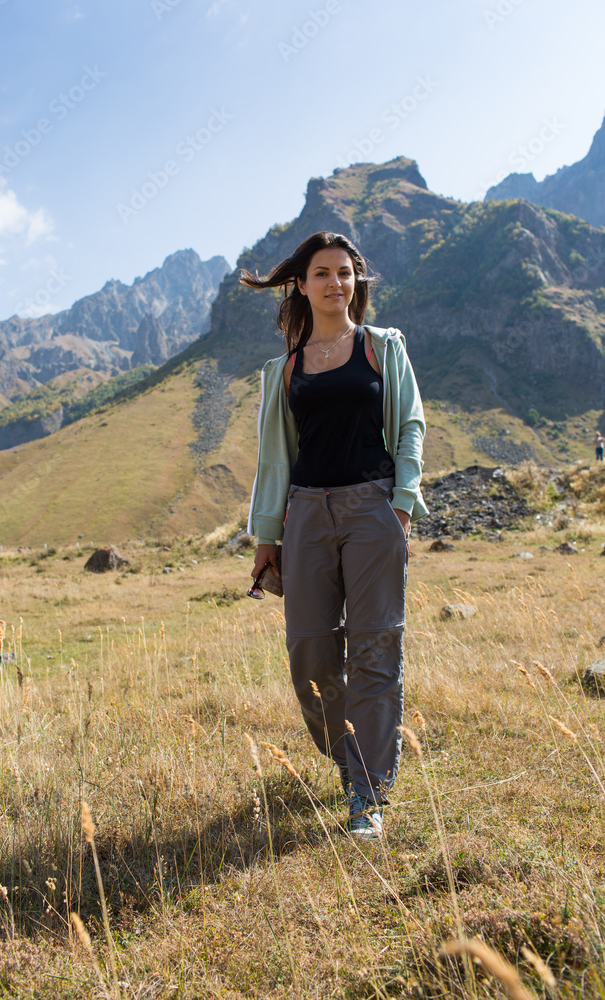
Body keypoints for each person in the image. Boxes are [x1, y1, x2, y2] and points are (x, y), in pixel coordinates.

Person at [241, 231, 427, 839]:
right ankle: (354, 762)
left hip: (373, 510)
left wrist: (401, 506)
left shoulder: (382, 348)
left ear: (357, 281)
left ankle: (367, 793)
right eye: (322, 273)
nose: (335, 283)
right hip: (305, 517)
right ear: (301, 284)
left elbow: (411, 427)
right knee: (311, 654)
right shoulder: (286, 369)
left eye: (345, 273)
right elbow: (275, 462)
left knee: (375, 648)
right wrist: (268, 539)